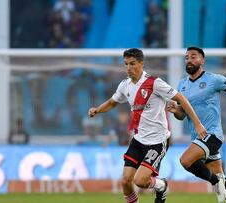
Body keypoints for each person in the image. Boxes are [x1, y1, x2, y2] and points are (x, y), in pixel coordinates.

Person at [88, 48, 206, 203]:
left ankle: (161, 185)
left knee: (140, 181)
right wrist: (97, 109)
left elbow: (181, 98)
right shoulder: (124, 85)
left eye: (132, 63)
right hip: (138, 140)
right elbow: (112, 102)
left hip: (157, 142)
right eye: (126, 64)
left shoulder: (155, 83)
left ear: (141, 63)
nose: (128, 68)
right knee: (125, 181)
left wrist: (197, 124)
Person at [167, 46, 226, 203]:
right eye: (186, 58)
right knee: (223, 182)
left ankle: (214, 182)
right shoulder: (181, 85)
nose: (189, 60)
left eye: (193, 57)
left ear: (202, 60)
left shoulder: (214, 79)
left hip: (212, 134)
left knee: (185, 161)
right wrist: (175, 110)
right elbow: (182, 116)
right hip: (197, 138)